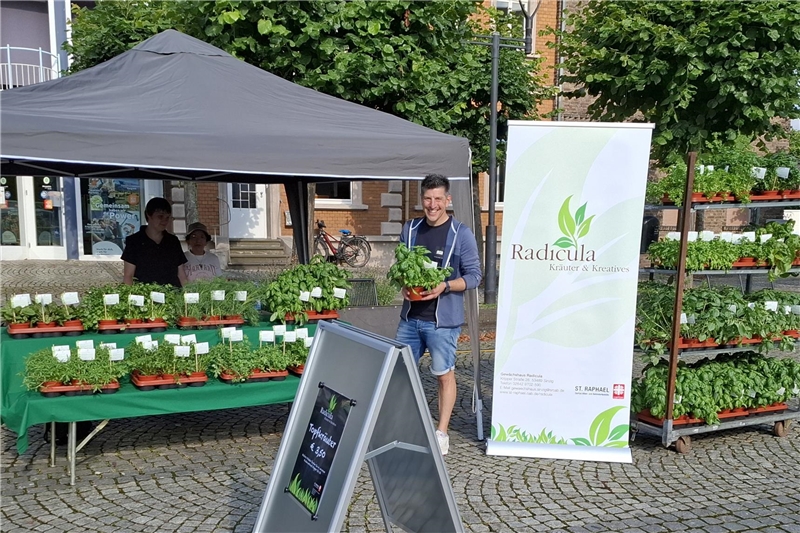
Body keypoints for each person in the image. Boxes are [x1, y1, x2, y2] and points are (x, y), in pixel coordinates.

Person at [395, 174, 482, 455]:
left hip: (442, 322)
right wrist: (405, 288)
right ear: (422, 199)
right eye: (427, 199)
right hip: (411, 317)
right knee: (399, 373)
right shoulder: (410, 230)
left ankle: (441, 432)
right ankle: (406, 424)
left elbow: (475, 277)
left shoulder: (461, 234)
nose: (432, 205)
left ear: (448, 200)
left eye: (437, 199)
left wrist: (444, 285)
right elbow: (402, 268)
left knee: (443, 375)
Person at [122, 197, 187, 287]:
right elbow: (128, 276)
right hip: (144, 296)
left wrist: (189, 296)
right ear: (149, 215)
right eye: (160, 216)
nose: (164, 221)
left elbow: (181, 274)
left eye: (167, 217)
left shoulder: (173, 241)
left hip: (172, 295)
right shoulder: (134, 241)